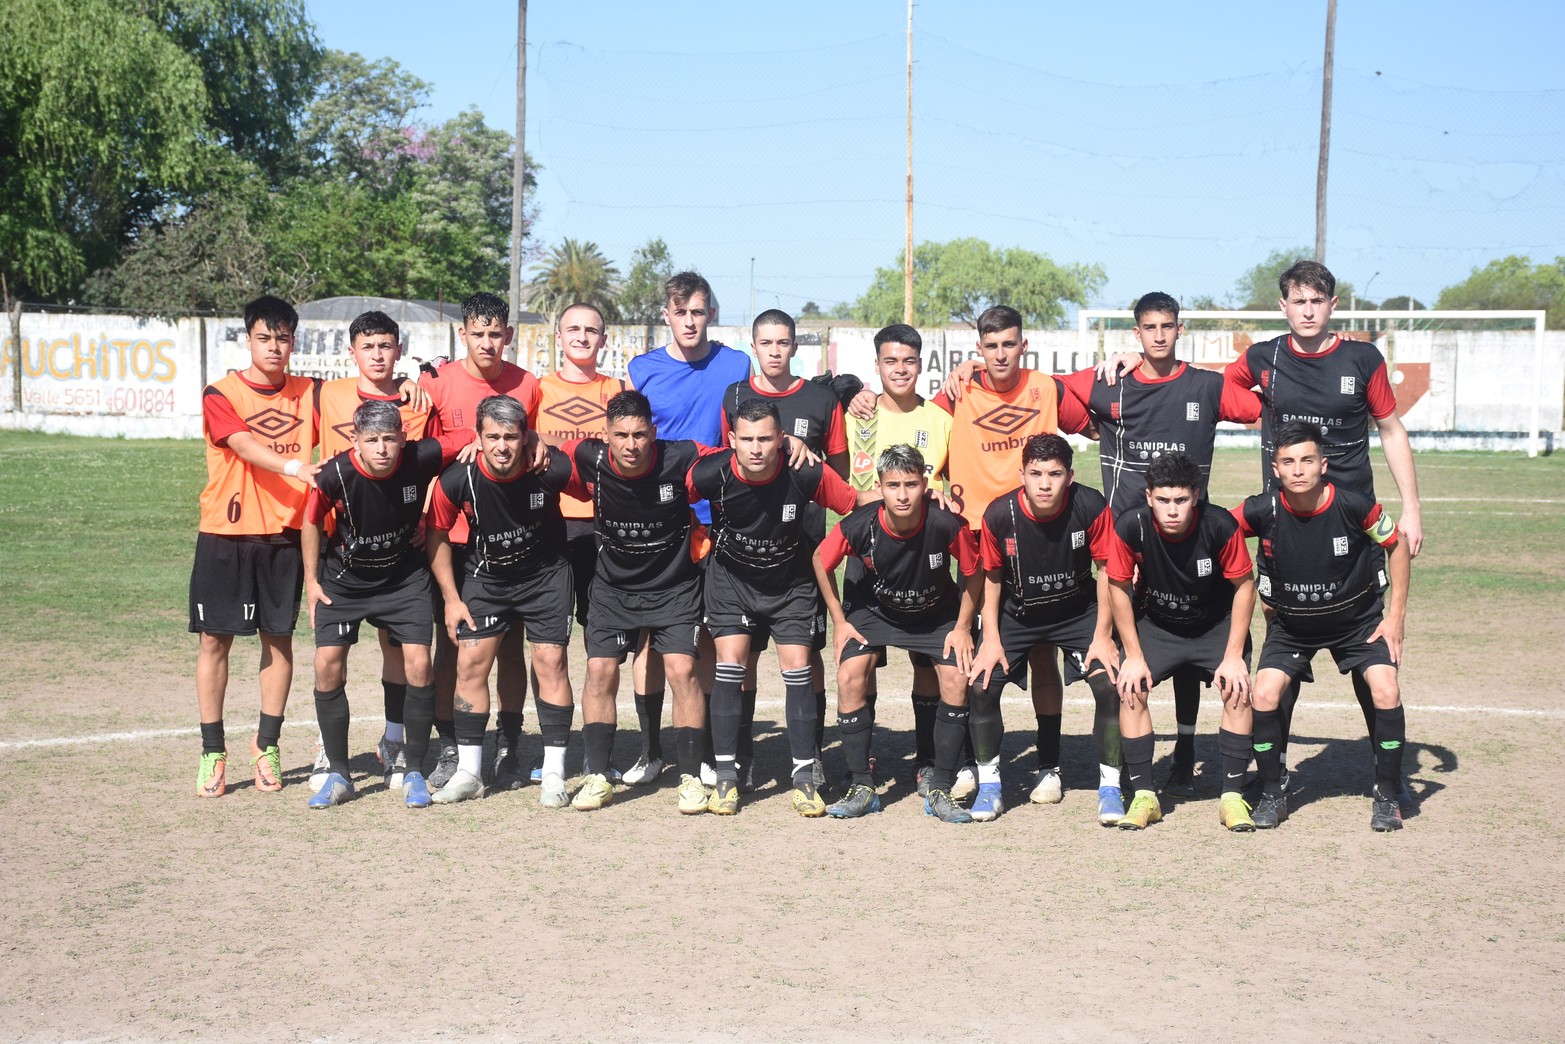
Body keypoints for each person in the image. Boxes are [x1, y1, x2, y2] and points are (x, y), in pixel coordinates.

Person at [1059, 291, 1260, 795]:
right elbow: (1046, 393)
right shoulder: (1112, 384)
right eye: (1150, 328)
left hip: (1190, 544)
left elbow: (1260, 403)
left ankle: (1188, 746)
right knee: (1128, 663)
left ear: (1179, 329)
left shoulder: (1205, 387)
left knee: (1191, 640)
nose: (1159, 336)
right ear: (1137, 333)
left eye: (1167, 327)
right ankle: (1122, 778)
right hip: (1131, 547)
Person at [1232, 421, 1410, 831]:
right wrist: (1254, 584)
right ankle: (1274, 791)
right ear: (1275, 469)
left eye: (1307, 460)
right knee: (1264, 692)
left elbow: (1396, 545)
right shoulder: (1263, 508)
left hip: (1358, 622)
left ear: (1323, 465)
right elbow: (1218, 532)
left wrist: (1394, 617)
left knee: (1385, 687)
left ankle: (1387, 792)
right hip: (1293, 626)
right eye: (1288, 462)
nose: (1298, 470)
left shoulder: (1354, 505)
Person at [692, 397, 862, 815]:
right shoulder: (710, 473)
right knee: (729, 664)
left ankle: (805, 777)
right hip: (732, 581)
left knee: (798, 666)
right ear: (731, 439)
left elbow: (855, 507)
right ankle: (727, 777)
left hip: (791, 583)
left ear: (781, 439)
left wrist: (923, 501)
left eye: (765, 439)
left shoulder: (805, 471)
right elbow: (665, 498)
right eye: (746, 439)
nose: (755, 448)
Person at [300, 401, 472, 807]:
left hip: (403, 578)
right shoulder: (335, 474)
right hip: (346, 581)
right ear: (354, 441)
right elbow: (310, 521)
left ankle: (412, 768)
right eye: (372, 440)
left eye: (390, 439)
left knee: (418, 661)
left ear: (403, 439)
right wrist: (310, 580)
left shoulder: (420, 457)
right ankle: (339, 773)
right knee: (326, 664)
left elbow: (474, 433)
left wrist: (479, 443)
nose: (382, 448)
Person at [189, 295, 321, 798]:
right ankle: (212, 753)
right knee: (213, 641)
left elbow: (361, 400)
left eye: (283, 337)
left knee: (279, 640)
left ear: (293, 340)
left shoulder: (311, 393)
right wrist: (293, 466)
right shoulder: (220, 393)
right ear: (248, 340)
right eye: (264, 337)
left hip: (285, 534)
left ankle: (267, 746)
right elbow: (242, 444)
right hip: (225, 532)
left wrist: (414, 386)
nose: (274, 347)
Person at [623, 272, 751, 783]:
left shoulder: (736, 364)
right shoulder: (642, 369)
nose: (690, 322)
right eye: (681, 313)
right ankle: (651, 751)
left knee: (712, 642)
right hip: (659, 520)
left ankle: (721, 751)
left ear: (710, 314)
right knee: (650, 642)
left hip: (718, 519)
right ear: (667, 316)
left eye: (698, 312)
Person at [426, 396, 582, 808]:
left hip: (546, 578)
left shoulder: (549, 469)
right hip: (487, 578)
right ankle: (469, 773)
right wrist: (451, 600)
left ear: (525, 437)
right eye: (492, 436)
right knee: (470, 662)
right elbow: (438, 536)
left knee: (551, 662)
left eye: (511, 436)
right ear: (478, 437)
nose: (501, 446)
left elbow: (601, 482)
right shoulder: (457, 480)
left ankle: (553, 774)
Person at [812, 445, 982, 824]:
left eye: (910, 484)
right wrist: (840, 621)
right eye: (893, 485)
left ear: (924, 484)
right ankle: (861, 787)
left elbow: (974, 569)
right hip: (874, 611)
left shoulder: (944, 524)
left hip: (935, 613)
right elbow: (820, 562)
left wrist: (962, 627)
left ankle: (939, 786)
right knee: (849, 673)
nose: (902, 495)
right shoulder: (861, 524)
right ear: (879, 487)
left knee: (956, 676)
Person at [717, 308, 849, 791]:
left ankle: (809, 754)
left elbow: (836, 472)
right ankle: (743, 756)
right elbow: (722, 459)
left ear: (795, 346)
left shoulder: (820, 398)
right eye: (766, 343)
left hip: (802, 548)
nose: (774, 351)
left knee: (804, 656)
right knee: (742, 657)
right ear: (754, 346)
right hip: (746, 548)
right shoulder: (735, 396)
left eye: (783, 343)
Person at [419, 292, 543, 791]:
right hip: (453, 537)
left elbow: (530, 449)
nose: (487, 342)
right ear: (462, 335)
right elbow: (423, 449)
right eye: (478, 333)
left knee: (510, 646)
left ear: (508, 335)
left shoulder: (528, 385)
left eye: (496, 333)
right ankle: (451, 743)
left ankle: (509, 743)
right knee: (454, 645)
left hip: (509, 536)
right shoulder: (435, 383)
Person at [566, 391, 712, 814]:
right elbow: (544, 452)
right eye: (621, 435)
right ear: (606, 435)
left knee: (683, 669)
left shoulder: (680, 457)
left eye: (640, 434)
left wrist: (784, 443)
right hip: (614, 589)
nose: (631, 444)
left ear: (654, 431)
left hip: (674, 586)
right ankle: (597, 774)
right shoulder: (588, 458)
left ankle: (689, 779)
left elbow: (733, 454)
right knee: (598, 669)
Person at [967, 435, 1124, 824]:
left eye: (1054, 474)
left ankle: (1110, 787)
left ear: (1069, 476)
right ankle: (989, 787)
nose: (1044, 483)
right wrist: (989, 639)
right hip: (1018, 615)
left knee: (1109, 684)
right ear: (1021, 474)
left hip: (1078, 613)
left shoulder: (1090, 505)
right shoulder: (998, 514)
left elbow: (1107, 570)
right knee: (982, 685)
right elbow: (992, 577)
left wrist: (1103, 635)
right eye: (1035, 473)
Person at [313, 310, 439, 793]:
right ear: (353, 352)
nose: (378, 355)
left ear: (398, 349)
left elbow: (422, 466)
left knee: (398, 649)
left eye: (386, 346)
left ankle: (394, 740)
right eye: (368, 347)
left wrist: (424, 519)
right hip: (339, 543)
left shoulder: (416, 402)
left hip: (398, 548)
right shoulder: (328, 394)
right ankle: (331, 749)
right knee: (328, 657)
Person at [1105, 452, 1258, 831]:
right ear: (1148, 496)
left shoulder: (1220, 524)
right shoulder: (1130, 525)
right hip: (1159, 625)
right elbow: (1117, 587)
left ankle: (1232, 798)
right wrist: (1134, 656)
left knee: (1237, 689)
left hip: (1215, 624)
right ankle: (1144, 796)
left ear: (1196, 495)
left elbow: (1244, 586)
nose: (1171, 510)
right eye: (1162, 500)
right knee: (1130, 687)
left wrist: (1234, 655)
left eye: (1181, 500)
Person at [843, 324, 954, 794]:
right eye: (891, 361)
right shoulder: (856, 417)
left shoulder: (942, 420)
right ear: (878, 366)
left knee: (927, 663)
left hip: (924, 560)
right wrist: (848, 390)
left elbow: (953, 487)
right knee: (861, 663)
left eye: (909, 361)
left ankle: (927, 759)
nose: (900, 369)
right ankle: (862, 762)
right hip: (867, 558)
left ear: (921, 364)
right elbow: (842, 485)